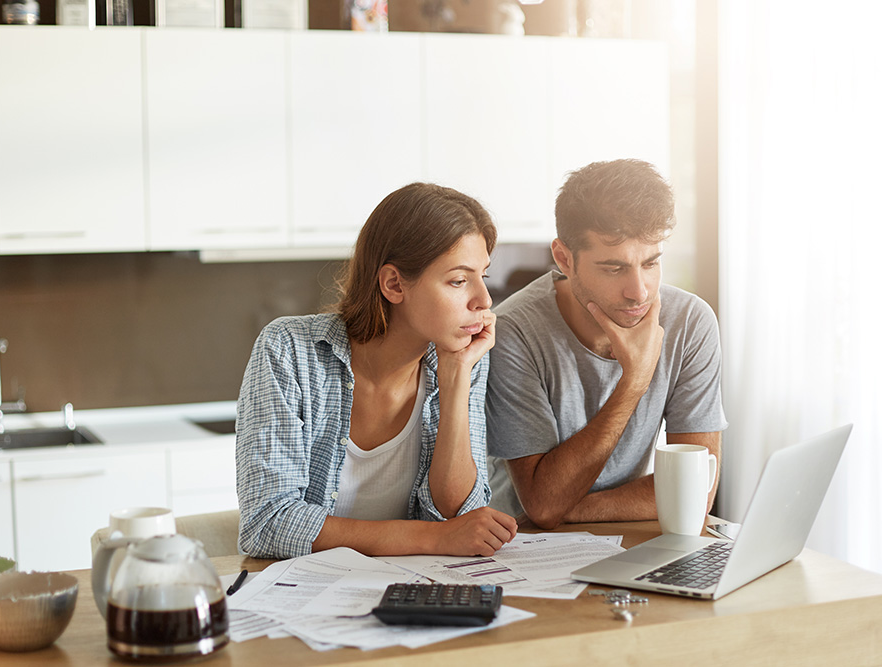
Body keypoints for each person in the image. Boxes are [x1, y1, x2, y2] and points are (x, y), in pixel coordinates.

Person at [236, 182, 518, 559]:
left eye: (482, 276)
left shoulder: (463, 357)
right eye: (457, 280)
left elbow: (460, 516)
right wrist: (432, 539)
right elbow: (268, 523)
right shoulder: (289, 349)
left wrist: (455, 378)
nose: (483, 300)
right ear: (393, 284)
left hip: (409, 591)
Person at [486, 159, 728, 528]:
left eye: (651, 263)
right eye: (614, 268)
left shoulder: (690, 323)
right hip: (525, 546)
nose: (639, 292)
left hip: (626, 535)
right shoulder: (514, 333)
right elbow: (542, 505)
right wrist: (634, 382)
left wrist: (572, 508)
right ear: (564, 259)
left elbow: (696, 491)